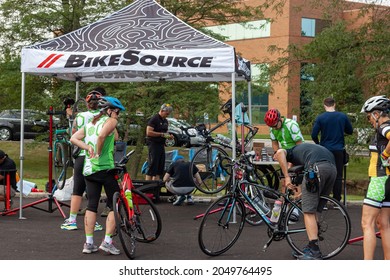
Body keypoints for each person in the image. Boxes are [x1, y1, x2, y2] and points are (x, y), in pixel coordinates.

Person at [70, 96, 125, 255]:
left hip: (89, 169)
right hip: (105, 168)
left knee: (92, 204)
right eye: (117, 112)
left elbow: (73, 138)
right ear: (110, 110)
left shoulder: (90, 123)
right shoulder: (111, 121)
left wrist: (87, 148)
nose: (118, 115)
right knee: (115, 204)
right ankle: (107, 241)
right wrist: (99, 151)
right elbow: (102, 137)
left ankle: (89, 243)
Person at [274, 142, 337, 260]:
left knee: (308, 211)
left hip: (317, 169)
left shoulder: (290, 151)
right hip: (332, 169)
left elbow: (279, 152)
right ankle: (311, 244)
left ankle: (314, 250)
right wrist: (304, 193)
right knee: (316, 209)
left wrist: (286, 177)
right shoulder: (306, 150)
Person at [60, 89, 105, 231]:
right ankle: (94, 221)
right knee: (94, 189)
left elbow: (72, 134)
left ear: (87, 103)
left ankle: (72, 220)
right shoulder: (104, 117)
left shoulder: (80, 116)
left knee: (77, 188)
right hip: (96, 156)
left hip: (81, 154)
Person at [360, 95, 390, 260]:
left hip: (379, 179)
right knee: (383, 225)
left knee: (367, 223)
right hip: (388, 181)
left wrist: (385, 154)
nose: (369, 120)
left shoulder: (383, 127)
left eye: (369, 116)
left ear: (376, 114)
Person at [311, 97, 353, 202]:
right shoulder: (342, 117)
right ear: (334, 104)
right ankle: (336, 200)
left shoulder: (320, 118)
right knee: (338, 175)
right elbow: (350, 130)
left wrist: (319, 144)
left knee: (324, 174)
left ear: (324, 105)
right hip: (339, 149)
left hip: (325, 150)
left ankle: (324, 199)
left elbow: (314, 134)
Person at [145, 103, 173, 181]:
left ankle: (155, 185)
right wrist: (161, 134)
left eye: (168, 114)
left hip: (161, 145)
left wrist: (169, 137)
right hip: (153, 144)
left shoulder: (165, 121)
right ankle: (148, 184)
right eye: (166, 114)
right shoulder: (154, 119)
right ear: (162, 110)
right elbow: (149, 132)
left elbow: (165, 133)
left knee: (160, 166)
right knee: (152, 164)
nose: (167, 115)